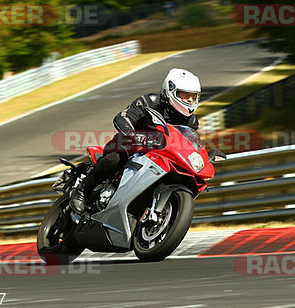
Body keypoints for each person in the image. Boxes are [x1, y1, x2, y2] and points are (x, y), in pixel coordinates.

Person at [70, 68, 201, 214]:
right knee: (116, 158)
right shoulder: (150, 101)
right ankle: (81, 190)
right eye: (185, 95)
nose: (190, 100)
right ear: (170, 90)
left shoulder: (192, 121)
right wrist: (133, 135)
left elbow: (190, 144)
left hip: (161, 157)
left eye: (193, 96)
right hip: (129, 146)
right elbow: (122, 117)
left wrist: (205, 154)